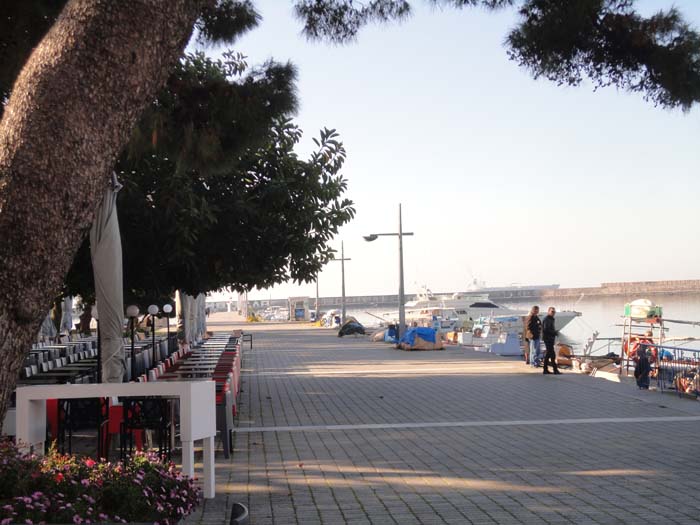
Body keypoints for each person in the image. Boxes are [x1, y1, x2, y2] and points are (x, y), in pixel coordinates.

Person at [542, 306, 561, 375]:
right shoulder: (547, 319)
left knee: (548, 354)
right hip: (548, 339)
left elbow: (550, 329)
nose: (553, 313)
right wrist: (554, 332)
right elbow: (546, 329)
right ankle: (555, 370)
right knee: (552, 355)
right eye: (552, 311)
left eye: (554, 312)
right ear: (548, 312)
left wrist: (555, 332)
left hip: (550, 338)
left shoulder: (551, 319)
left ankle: (545, 369)